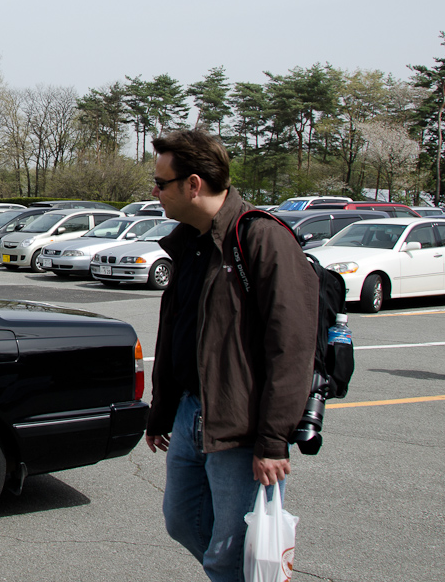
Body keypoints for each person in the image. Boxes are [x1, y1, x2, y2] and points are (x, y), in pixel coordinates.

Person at [142, 130, 318, 582]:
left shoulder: (260, 238)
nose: (154, 191)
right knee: (181, 521)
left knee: (228, 551)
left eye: (161, 183)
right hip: (189, 414)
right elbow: (179, 334)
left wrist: (274, 439)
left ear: (193, 184)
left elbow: (290, 348)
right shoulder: (190, 243)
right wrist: (161, 412)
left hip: (241, 425)